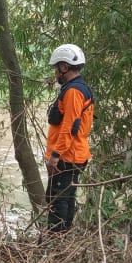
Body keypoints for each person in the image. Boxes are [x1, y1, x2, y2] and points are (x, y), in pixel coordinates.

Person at [45, 43, 94, 232]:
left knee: (57, 201)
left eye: (57, 68)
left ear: (64, 67)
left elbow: (69, 127)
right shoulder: (76, 88)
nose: (56, 73)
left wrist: (55, 156)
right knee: (65, 199)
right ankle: (61, 239)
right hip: (73, 155)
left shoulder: (74, 91)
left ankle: (55, 243)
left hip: (67, 157)